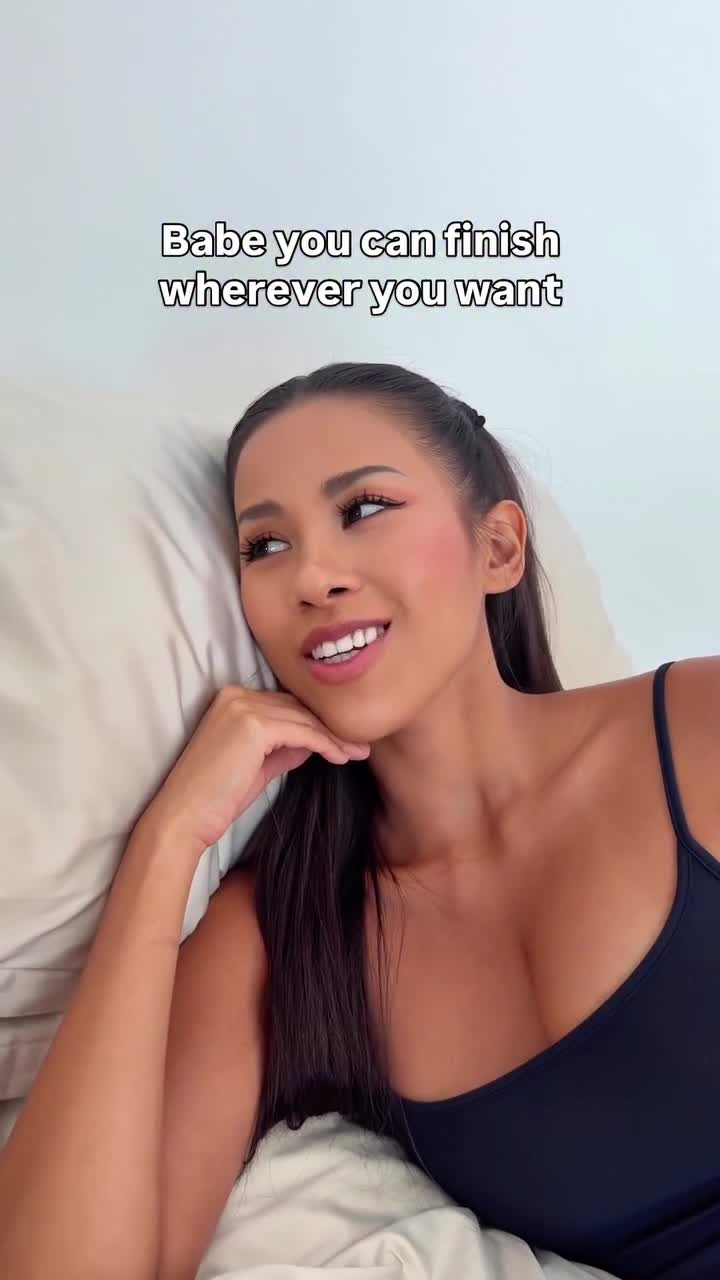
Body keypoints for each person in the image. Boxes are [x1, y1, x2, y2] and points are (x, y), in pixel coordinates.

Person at [0, 362, 717, 1280]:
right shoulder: (284, 933)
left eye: (365, 508)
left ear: (498, 549)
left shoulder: (700, 727)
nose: (312, 577)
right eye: (265, 545)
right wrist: (169, 840)